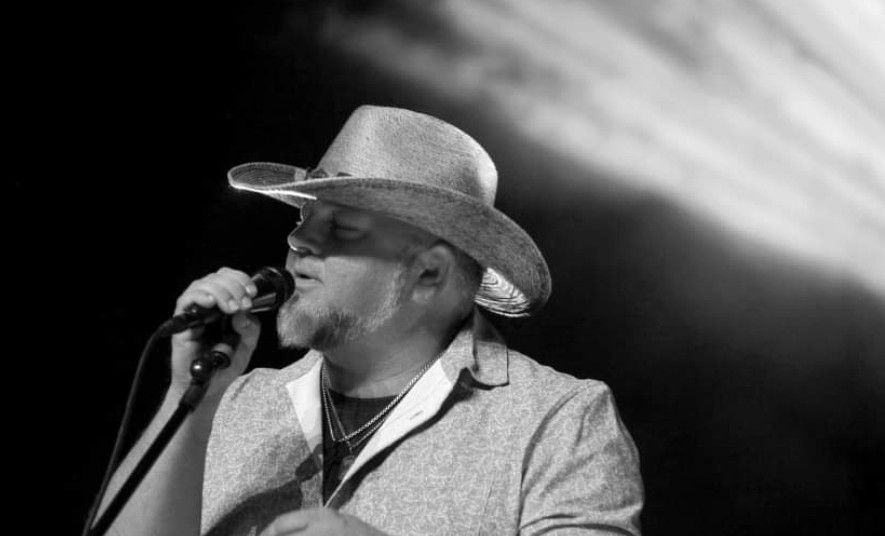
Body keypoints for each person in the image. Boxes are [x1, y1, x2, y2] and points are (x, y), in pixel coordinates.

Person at [100, 105, 643, 535]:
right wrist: (188, 399)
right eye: (304, 215)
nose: (298, 239)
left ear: (428, 273)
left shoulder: (559, 422)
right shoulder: (236, 403)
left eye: (342, 227)